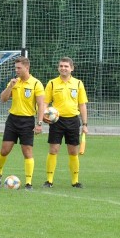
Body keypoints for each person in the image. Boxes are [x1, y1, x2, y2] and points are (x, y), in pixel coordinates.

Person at [0, 56, 45, 190]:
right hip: (12, 120)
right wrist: (10, 86)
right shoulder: (13, 82)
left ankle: (28, 182)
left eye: (19, 68)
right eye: (15, 68)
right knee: (4, 150)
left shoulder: (36, 84)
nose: (16, 70)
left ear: (26, 68)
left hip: (27, 121)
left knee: (27, 151)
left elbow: (41, 104)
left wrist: (39, 123)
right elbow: (3, 99)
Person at [42, 57, 88, 188]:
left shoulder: (78, 84)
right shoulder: (52, 83)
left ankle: (75, 181)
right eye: (61, 66)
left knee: (73, 151)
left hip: (73, 120)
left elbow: (82, 105)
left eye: (66, 66)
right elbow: (45, 102)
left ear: (71, 68)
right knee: (53, 150)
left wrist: (85, 125)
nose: (63, 68)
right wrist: (44, 114)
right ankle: (49, 180)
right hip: (56, 121)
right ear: (58, 68)